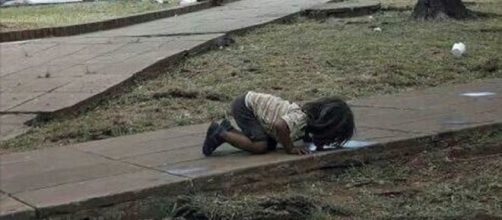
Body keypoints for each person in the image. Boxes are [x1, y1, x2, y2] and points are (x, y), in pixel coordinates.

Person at [202, 91, 355, 156]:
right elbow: (279, 126)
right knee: (260, 146)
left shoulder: (306, 124)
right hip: (246, 107)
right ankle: (220, 133)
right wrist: (290, 149)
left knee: (270, 145)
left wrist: (319, 144)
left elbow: (307, 137)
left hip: (252, 107)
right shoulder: (300, 119)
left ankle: (227, 129)